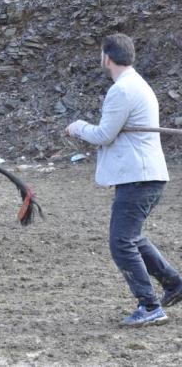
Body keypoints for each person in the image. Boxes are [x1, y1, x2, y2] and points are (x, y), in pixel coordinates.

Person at [65, 33, 182, 327]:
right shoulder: (137, 84)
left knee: (121, 242)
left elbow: (103, 135)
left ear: (106, 57)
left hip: (139, 178)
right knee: (132, 237)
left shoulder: (122, 90)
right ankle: (174, 284)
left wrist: (77, 127)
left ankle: (149, 305)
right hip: (147, 176)